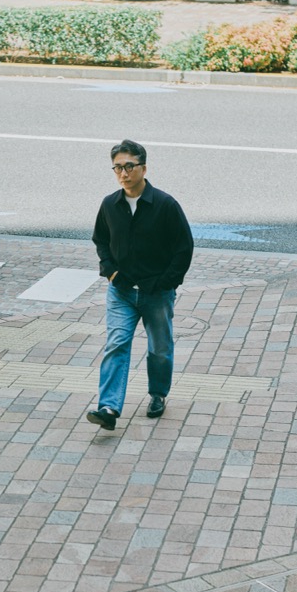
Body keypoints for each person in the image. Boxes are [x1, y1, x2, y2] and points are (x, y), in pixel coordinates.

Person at [87, 139, 193, 431]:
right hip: (121, 291)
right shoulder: (110, 205)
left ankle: (158, 394)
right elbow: (101, 241)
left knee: (159, 348)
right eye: (117, 168)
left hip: (156, 293)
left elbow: (183, 249)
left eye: (129, 166)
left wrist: (165, 283)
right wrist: (111, 273)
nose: (123, 173)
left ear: (143, 168)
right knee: (116, 344)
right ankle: (108, 408)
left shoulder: (165, 205)